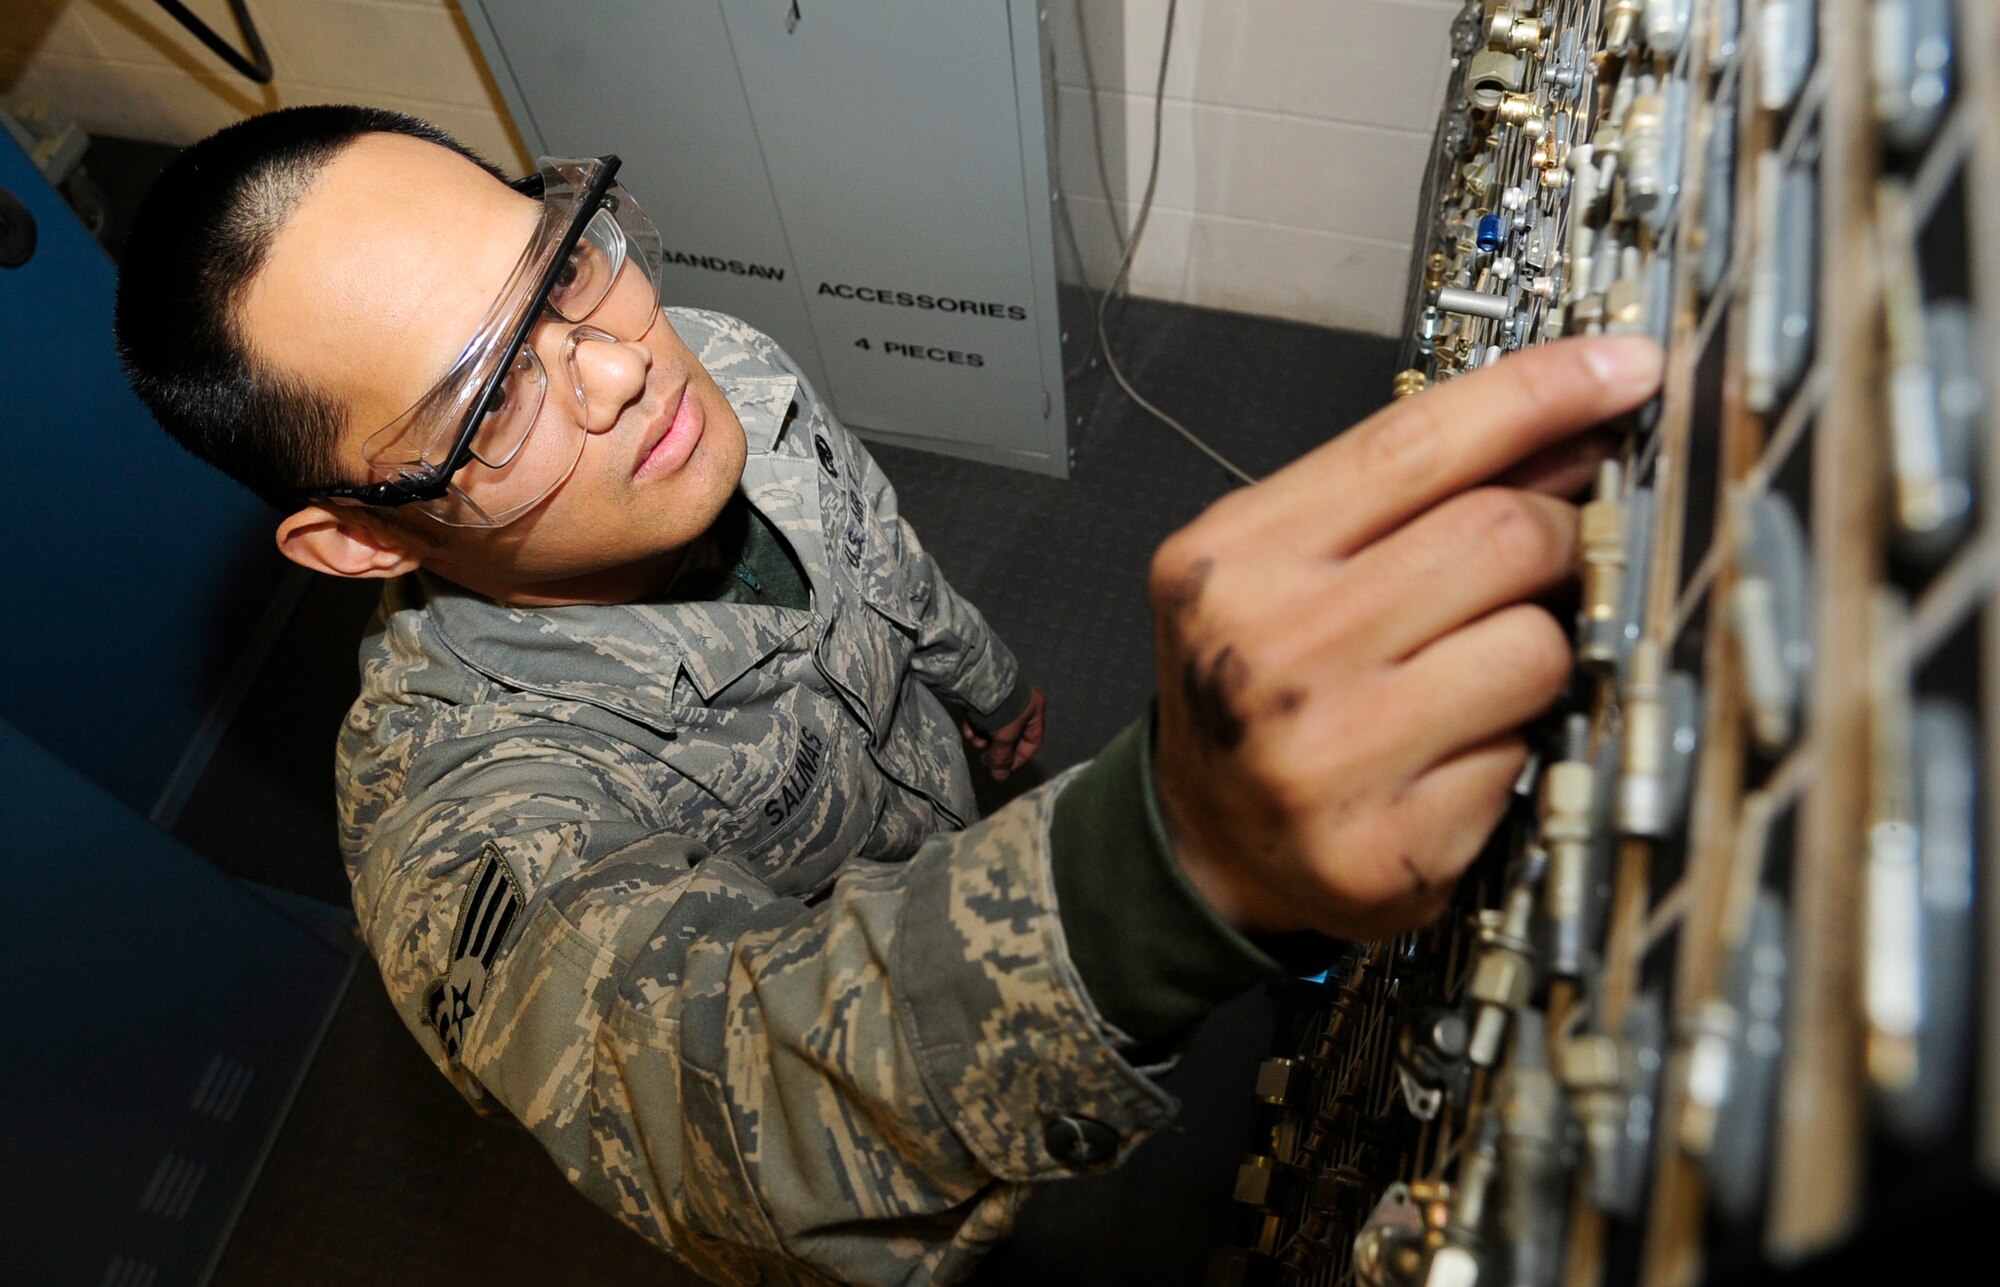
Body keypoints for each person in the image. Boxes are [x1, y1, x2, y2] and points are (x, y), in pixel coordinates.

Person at [115, 106, 1662, 1285]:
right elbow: (714, 1100)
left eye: (562, 261)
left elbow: (880, 550)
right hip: (939, 1115)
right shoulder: (463, 820)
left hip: (953, 821)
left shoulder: (710, 363)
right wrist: (1166, 868)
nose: (615, 369)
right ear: (362, 533)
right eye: (487, 400)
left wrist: (988, 694)